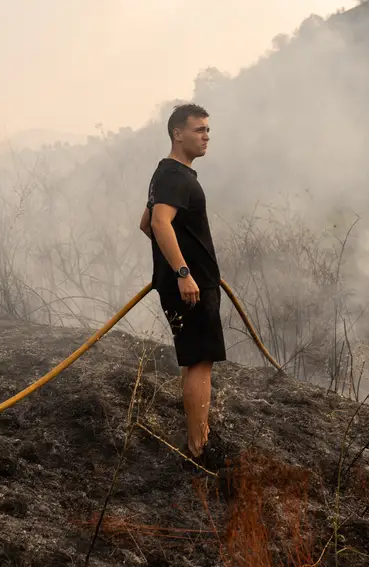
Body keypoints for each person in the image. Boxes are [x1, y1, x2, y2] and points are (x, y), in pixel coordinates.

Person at [138, 103, 227, 471]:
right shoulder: (175, 176)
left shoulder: (167, 173)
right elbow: (159, 223)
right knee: (200, 362)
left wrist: (179, 264)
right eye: (199, 130)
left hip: (190, 282)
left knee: (194, 360)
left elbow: (146, 223)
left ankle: (197, 438)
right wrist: (183, 271)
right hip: (192, 286)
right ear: (178, 134)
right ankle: (198, 447)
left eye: (207, 130)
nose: (206, 136)